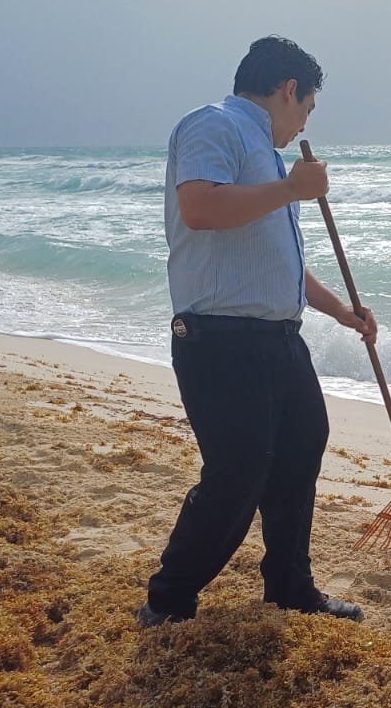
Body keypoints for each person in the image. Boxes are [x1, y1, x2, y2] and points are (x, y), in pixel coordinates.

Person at [137, 35, 375, 628]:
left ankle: (291, 587)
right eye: (307, 110)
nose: (301, 126)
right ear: (288, 90)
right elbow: (200, 208)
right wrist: (294, 189)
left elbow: (280, 261)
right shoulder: (212, 125)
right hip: (217, 335)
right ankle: (168, 601)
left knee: (301, 447)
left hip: (276, 336)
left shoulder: (269, 156)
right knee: (239, 469)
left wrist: (341, 310)